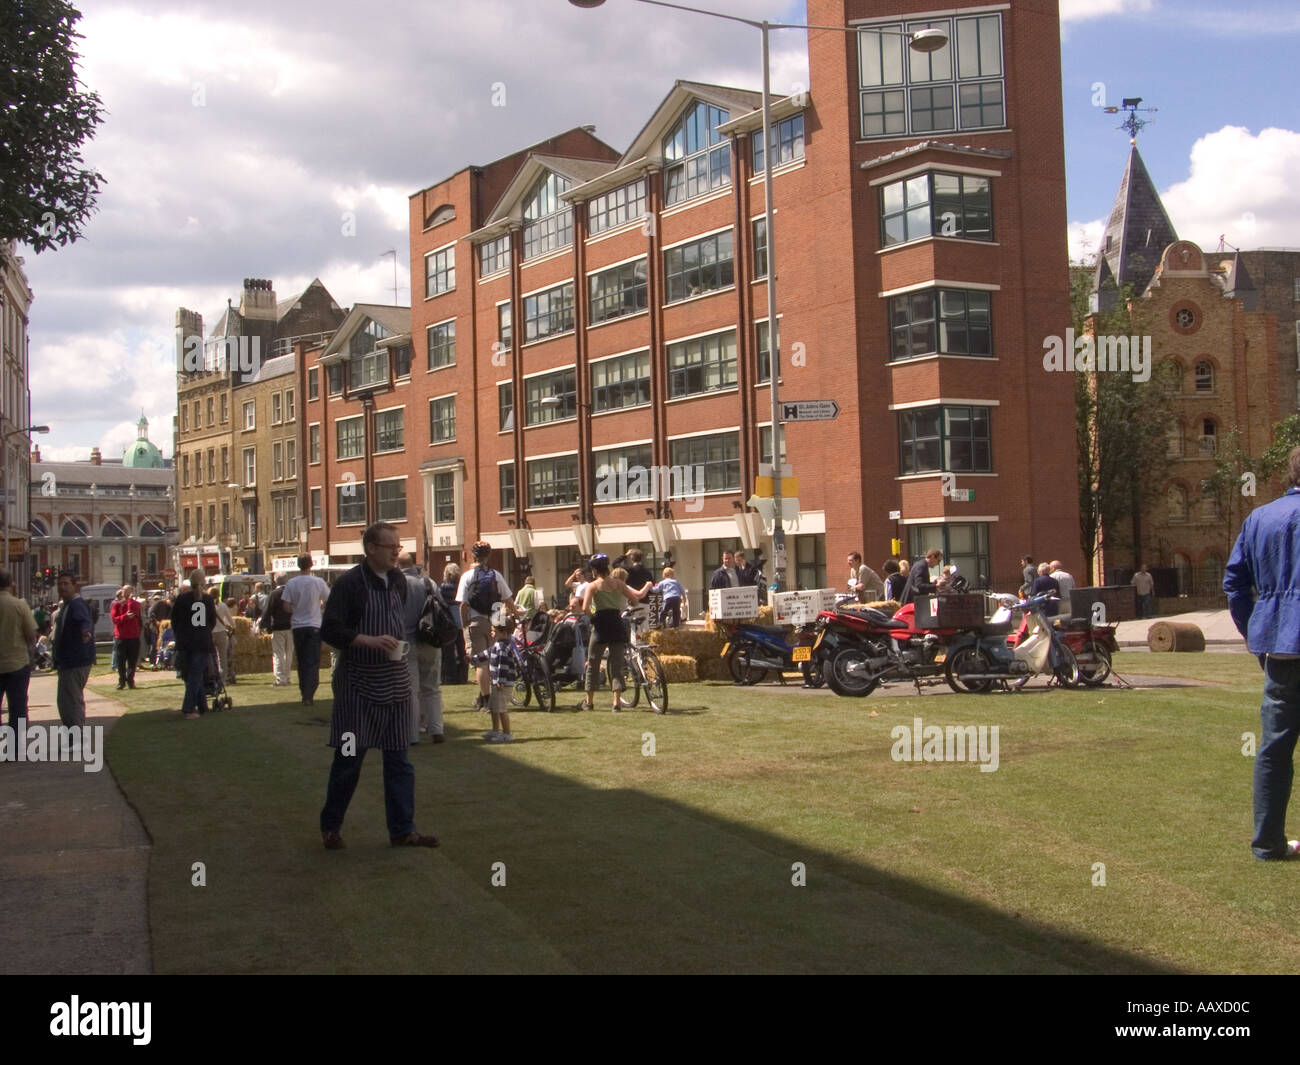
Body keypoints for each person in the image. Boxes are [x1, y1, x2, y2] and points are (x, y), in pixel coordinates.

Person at [319, 522, 439, 850]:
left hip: (396, 682)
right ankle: (331, 826)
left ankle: (403, 830)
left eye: (398, 547)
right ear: (370, 548)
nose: (396, 553)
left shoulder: (399, 581)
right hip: (357, 684)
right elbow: (329, 630)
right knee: (348, 761)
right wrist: (367, 640)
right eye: (390, 548)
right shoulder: (348, 585)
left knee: (400, 761)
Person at [1225, 446, 1300, 860]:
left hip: (1280, 649)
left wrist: (1256, 632)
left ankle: (1267, 843)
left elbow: (1234, 583)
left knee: (1274, 749)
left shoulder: (1260, 518)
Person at [580, 553, 647, 712]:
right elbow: (635, 600)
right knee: (616, 664)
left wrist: (594, 618)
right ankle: (616, 702)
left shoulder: (593, 586)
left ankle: (589, 701)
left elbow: (585, 608)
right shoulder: (619, 584)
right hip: (616, 624)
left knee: (593, 662)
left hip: (601, 625)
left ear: (595, 570)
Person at [457, 541, 515, 712]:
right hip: (494, 622)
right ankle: (491, 696)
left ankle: (486, 699)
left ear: (474, 556)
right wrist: (516, 615)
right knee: (492, 660)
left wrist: (464, 625)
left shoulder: (467, 576)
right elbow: (507, 599)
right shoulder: (496, 575)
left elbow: (463, 605)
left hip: (475, 621)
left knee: (480, 662)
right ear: (488, 556)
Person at [398, 551, 444, 745]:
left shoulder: (396, 584)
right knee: (432, 688)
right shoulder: (429, 583)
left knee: (411, 691)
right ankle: (436, 729)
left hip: (406, 642)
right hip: (430, 641)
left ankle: (412, 734)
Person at [282, 554, 331, 706]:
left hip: (298, 625)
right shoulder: (318, 582)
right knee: (313, 660)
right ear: (311, 565)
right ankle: (309, 693)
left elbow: (286, 606)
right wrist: (319, 607)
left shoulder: (291, 583)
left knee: (301, 660)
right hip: (314, 624)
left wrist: (296, 610)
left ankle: (304, 691)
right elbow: (329, 599)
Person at [51, 572, 95, 727]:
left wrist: (86, 632)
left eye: (66, 584)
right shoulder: (67, 605)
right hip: (67, 661)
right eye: (60, 584)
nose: (62, 587)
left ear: (74, 586)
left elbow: (83, 620)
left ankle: (76, 738)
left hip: (76, 660)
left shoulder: (76, 604)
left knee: (71, 701)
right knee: (65, 701)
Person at [172, 570, 216, 718]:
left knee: (190, 675)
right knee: (196, 675)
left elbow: (174, 621)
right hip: (202, 641)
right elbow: (212, 621)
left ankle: (197, 707)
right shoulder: (208, 599)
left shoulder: (182, 599)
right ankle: (194, 707)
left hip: (185, 641)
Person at [473, 603, 517, 743]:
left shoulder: (503, 647)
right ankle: (495, 730)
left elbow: (502, 666)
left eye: (493, 630)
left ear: (502, 631)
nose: (491, 632)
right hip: (496, 683)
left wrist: (500, 682)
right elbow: (486, 654)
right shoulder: (497, 645)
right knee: (494, 707)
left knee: (501, 709)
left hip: (502, 684)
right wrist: (473, 659)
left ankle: (507, 733)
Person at [0, 571, 37, 728]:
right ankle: (16, 746)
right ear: (11, 584)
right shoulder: (19, 605)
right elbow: (31, 635)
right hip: (17, 663)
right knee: (18, 707)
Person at [262, 573, 295, 685]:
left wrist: (264, 625)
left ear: (275, 581)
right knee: (289, 652)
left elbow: (267, 611)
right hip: (291, 626)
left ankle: (281, 678)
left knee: (279, 653)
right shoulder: (292, 593)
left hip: (278, 627)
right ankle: (287, 676)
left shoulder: (274, 594)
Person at [110, 584, 143, 690]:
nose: (124, 592)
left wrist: (129, 601)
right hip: (121, 636)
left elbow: (136, 613)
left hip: (133, 636)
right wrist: (125, 617)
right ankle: (121, 681)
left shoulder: (135, 604)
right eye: (123, 590)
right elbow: (115, 619)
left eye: (127, 590)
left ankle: (130, 680)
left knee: (132, 661)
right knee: (120, 661)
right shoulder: (117, 605)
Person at [439, 562, 466, 685]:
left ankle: (450, 676)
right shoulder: (461, 586)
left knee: (448, 649)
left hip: (449, 621)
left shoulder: (443, 587)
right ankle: (463, 675)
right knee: (462, 649)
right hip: (460, 619)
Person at [213, 597, 237, 683]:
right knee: (223, 657)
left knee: (211, 656)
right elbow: (230, 619)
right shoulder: (223, 606)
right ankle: (223, 678)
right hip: (221, 632)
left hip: (211, 632)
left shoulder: (207, 604)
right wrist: (233, 627)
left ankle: (212, 676)